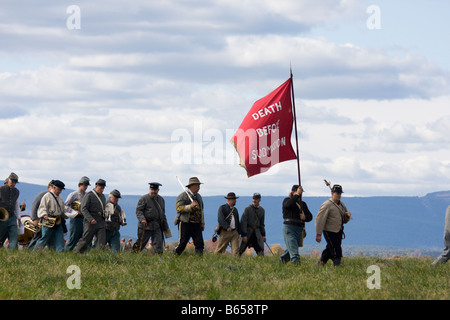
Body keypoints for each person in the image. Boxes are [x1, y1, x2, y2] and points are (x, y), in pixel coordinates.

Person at [315, 184, 351, 267]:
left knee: (329, 249)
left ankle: (320, 264)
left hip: (338, 231)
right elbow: (320, 220)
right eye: (337, 193)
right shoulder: (327, 204)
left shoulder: (341, 204)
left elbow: (344, 220)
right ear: (332, 193)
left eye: (340, 193)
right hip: (329, 231)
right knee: (336, 250)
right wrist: (318, 234)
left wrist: (347, 216)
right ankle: (337, 268)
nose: (339, 195)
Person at [34, 180, 72, 251]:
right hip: (48, 220)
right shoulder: (47, 196)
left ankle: (60, 254)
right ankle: (35, 252)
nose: (60, 191)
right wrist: (44, 215)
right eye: (59, 189)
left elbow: (62, 210)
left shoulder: (60, 198)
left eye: (61, 190)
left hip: (58, 221)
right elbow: (42, 207)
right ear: (54, 188)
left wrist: (68, 214)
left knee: (60, 239)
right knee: (44, 239)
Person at [280, 185, 313, 264]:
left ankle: (281, 262)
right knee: (294, 251)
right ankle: (296, 266)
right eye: (299, 192)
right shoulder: (287, 200)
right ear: (293, 192)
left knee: (291, 248)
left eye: (301, 193)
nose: (300, 194)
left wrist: (304, 217)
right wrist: (296, 195)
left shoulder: (303, 204)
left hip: (299, 229)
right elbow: (289, 205)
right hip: (289, 228)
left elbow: (310, 217)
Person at [133, 182, 169, 254]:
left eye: (155, 190)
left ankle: (158, 260)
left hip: (157, 225)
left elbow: (163, 214)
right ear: (149, 189)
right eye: (152, 189)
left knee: (158, 244)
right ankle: (133, 256)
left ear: (158, 190)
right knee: (141, 243)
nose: (153, 191)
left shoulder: (161, 200)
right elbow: (139, 211)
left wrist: (166, 227)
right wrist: (142, 219)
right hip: (145, 225)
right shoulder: (144, 199)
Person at [74, 179, 107, 253]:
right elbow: (83, 208)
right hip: (90, 222)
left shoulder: (103, 197)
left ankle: (99, 256)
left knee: (101, 240)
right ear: (96, 186)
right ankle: (77, 253)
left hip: (100, 221)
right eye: (101, 188)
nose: (102, 190)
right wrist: (90, 219)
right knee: (86, 240)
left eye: (103, 188)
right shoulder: (89, 195)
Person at [174, 177, 205, 255]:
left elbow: (201, 210)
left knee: (199, 243)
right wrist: (190, 206)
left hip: (196, 223)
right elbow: (178, 208)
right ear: (192, 186)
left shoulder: (199, 197)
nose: (199, 187)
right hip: (185, 223)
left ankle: (199, 259)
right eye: (197, 185)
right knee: (182, 243)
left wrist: (202, 222)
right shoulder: (182, 196)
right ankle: (174, 256)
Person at [64, 176, 90, 251]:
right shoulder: (73, 194)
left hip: (84, 219)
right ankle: (66, 252)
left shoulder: (87, 195)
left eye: (87, 185)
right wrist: (74, 211)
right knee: (74, 238)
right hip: (75, 219)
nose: (86, 187)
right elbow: (65, 206)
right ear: (79, 185)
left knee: (84, 238)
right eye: (84, 185)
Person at [27, 180, 54, 250]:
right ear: (49, 187)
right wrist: (34, 219)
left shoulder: (55, 196)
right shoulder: (41, 195)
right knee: (37, 237)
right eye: (52, 187)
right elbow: (34, 207)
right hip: (39, 220)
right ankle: (30, 250)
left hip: (48, 221)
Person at [215, 192, 241, 256]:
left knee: (236, 250)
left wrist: (238, 232)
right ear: (229, 200)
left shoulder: (235, 210)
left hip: (234, 232)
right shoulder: (222, 208)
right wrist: (226, 227)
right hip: (225, 232)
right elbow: (220, 219)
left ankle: (235, 262)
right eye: (233, 199)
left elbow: (237, 221)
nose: (235, 201)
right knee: (220, 249)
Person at [0, 173, 22, 250]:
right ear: (8, 180)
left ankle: (13, 252)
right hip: (1, 217)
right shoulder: (1, 189)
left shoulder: (17, 191)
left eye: (15, 182)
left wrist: (19, 218)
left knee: (14, 236)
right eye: (12, 182)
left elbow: (17, 205)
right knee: (1, 236)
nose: (14, 184)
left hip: (12, 217)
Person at [102, 189, 126, 253]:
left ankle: (114, 260)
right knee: (100, 246)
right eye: (115, 197)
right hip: (105, 230)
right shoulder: (105, 205)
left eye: (117, 198)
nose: (116, 199)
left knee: (116, 248)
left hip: (115, 230)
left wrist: (121, 221)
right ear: (110, 197)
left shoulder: (118, 207)